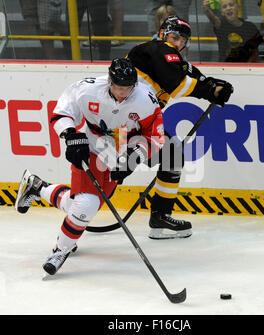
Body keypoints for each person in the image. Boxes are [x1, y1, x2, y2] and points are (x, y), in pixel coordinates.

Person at [14, 58, 165, 275]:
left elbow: (155, 136)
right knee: (86, 205)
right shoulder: (88, 89)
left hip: (118, 153)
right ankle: (60, 250)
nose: (123, 93)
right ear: (110, 81)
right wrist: (71, 135)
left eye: (128, 88)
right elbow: (62, 112)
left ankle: (38, 187)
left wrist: (134, 156)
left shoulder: (146, 100)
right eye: (118, 87)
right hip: (92, 147)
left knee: (85, 206)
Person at [127, 15, 234, 239]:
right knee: (104, 179)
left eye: (181, 40)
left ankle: (160, 219)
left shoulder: (170, 57)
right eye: (174, 37)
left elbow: (194, 75)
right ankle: (51, 195)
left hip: (139, 125)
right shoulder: (158, 48)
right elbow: (178, 85)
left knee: (171, 156)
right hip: (123, 123)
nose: (176, 43)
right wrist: (209, 90)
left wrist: (214, 86)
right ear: (163, 34)